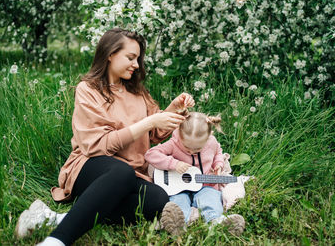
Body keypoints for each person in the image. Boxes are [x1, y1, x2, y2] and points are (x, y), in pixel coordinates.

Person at [15, 28, 195, 246]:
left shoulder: (138, 92)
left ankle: (56, 219)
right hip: (90, 167)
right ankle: (55, 241)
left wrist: (173, 110)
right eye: (130, 57)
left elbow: (155, 133)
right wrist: (149, 122)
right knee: (122, 171)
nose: (136, 65)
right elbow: (97, 147)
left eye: (138, 59)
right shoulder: (88, 90)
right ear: (110, 54)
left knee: (158, 200)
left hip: (131, 175)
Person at [145, 111, 245, 236]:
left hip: (205, 184)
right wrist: (174, 164)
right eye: (187, 147)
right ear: (180, 135)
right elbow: (150, 154)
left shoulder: (211, 142)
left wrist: (218, 164)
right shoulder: (174, 144)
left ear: (208, 137)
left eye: (197, 149)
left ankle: (217, 222)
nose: (192, 151)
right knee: (178, 202)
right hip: (178, 188)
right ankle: (179, 225)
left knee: (211, 199)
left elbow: (218, 152)